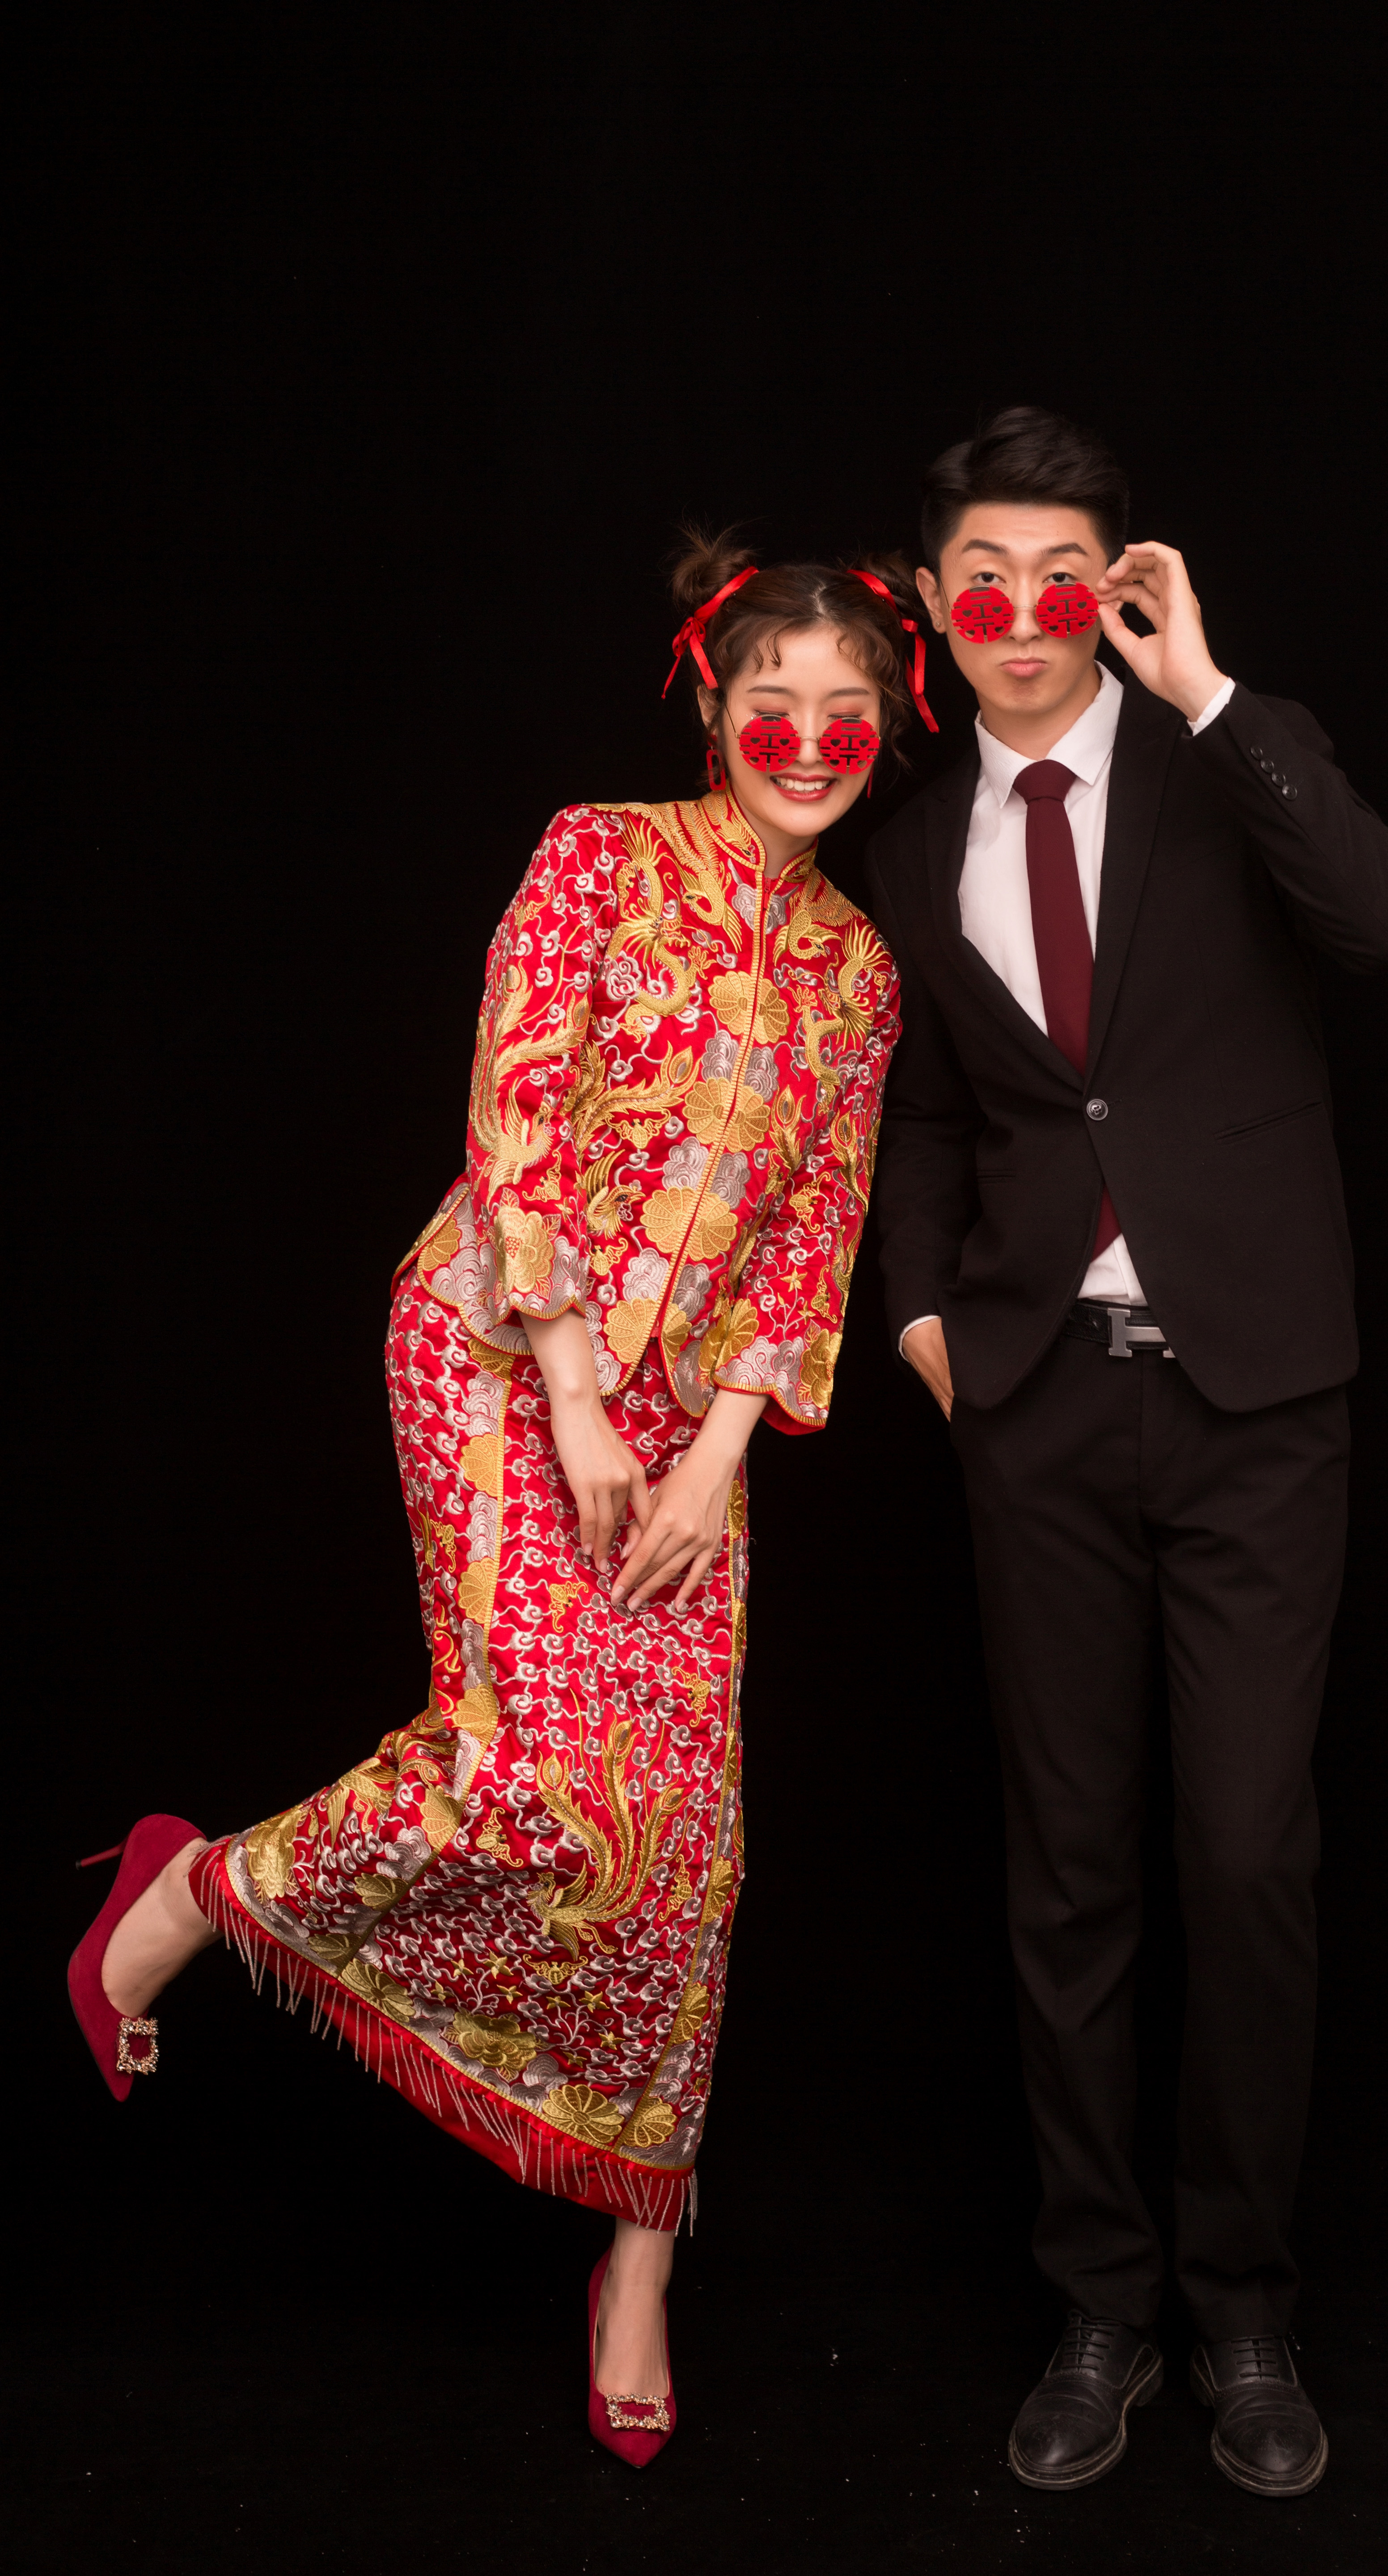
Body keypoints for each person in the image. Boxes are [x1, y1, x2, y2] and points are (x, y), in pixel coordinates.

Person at [68, 533, 918, 2468]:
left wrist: (713, 1453)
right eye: (771, 702)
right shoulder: (598, 855)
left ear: (886, 731)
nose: (806, 740)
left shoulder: (861, 974)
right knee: (526, 1777)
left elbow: (815, 1236)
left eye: (844, 713)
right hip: (496, 1352)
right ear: (713, 703)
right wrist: (579, 1401)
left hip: (690, 1433)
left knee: (683, 1839)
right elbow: (515, 1111)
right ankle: (198, 1891)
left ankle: (639, 2257)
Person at [863, 408, 1388, 2498]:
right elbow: (934, 1115)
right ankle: (1101, 2301)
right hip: (1038, 1409)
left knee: (1248, 1855)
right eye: (981, 582)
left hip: (1257, 1403)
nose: (1021, 617)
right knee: (1072, 1871)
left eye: (1062, 579)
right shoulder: (913, 844)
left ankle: (1245, 2307)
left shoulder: (1221, 759)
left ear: (1113, 589)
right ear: (937, 607)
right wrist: (923, 1318)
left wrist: (1207, 688)